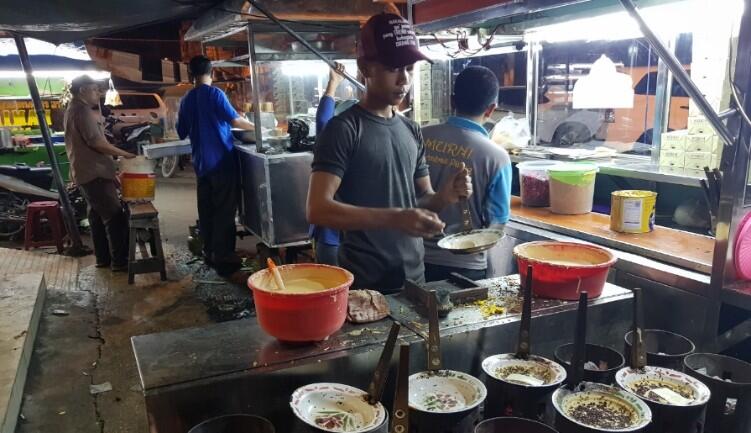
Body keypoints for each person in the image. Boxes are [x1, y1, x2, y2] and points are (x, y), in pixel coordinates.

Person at [307, 13, 472, 293]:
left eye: (409, 68)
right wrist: (395, 217)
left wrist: (444, 197)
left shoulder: (411, 130)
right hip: (366, 283)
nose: (403, 79)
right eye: (393, 68)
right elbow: (317, 209)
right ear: (365, 68)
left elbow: (422, 200)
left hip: (414, 278)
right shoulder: (344, 129)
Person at [422, 66, 512, 282]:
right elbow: (497, 221)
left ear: (452, 101)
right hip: (466, 264)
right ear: (491, 109)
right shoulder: (497, 157)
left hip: (414, 258)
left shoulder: (420, 136)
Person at [177, 55, 255, 275]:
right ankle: (224, 257)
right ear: (212, 73)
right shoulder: (215, 94)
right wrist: (258, 128)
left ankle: (210, 252)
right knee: (224, 210)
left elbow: (181, 131)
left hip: (201, 164)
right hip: (221, 162)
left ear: (191, 75)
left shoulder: (187, 99)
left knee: (207, 210)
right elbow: (235, 121)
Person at [64, 75, 136, 271]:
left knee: (97, 216)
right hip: (93, 173)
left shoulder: (74, 109)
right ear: (82, 91)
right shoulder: (81, 111)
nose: (99, 93)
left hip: (87, 171)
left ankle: (103, 259)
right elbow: (96, 142)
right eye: (94, 89)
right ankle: (120, 262)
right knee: (115, 217)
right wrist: (124, 154)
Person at [309, 63, 347, 266]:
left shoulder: (331, 141)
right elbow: (324, 122)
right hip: (339, 239)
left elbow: (323, 121)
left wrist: (333, 84)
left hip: (330, 238)